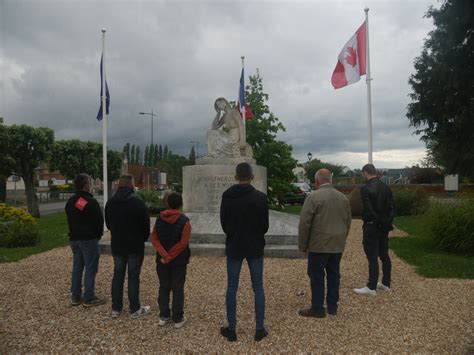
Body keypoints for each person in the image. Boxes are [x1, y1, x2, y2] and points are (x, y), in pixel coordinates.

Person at [219, 162, 269, 342]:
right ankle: (259, 328)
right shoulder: (260, 198)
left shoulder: (227, 196)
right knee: (258, 288)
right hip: (254, 245)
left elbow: (223, 222)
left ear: (236, 176)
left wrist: (234, 234)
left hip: (234, 245)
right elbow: (265, 225)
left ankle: (232, 329)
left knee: (232, 287)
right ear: (252, 176)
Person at [298, 169, 351, 318]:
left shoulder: (313, 197)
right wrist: (342, 238)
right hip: (337, 243)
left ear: (317, 181)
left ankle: (317, 308)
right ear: (331, 180)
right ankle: (332, 306)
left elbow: (304, 223)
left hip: (319, 244)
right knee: (334, 274)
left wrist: (303, 245)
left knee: (316, 275)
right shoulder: (343, 198)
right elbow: (348, 221)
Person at [105, 174, 151, 317]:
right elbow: (146, 226)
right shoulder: (137, 203)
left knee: (117, 276)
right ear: (131, 185)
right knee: (133, 276)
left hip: (118, 244)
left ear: (119, 185)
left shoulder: (110, 203)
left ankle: (116, 308)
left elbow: (109, 224)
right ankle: (135, 308)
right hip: (134, 245)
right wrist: (142, 238)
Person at [150, 192, 191, 329]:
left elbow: (154, 238)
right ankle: (178, 318)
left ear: (167, 203)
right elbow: (183, 243)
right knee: (177, 287)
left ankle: (164, 315)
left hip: (162, 260)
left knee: (164, 286)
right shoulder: (185, 221)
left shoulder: (159, 219)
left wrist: (164, 255)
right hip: (178, 260)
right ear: (181, 204)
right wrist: (170, 256)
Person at [65, 173, 106, 307]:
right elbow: (99, 221)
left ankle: (75, 296)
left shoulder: (71, 201)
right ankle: (89, 297)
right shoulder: (90, 202)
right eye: (89, 182)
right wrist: (98, 235)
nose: (91, 185)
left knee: (77, 267)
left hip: (74, 238)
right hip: (88, 239)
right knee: (90, 267)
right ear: (86, 185)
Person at [354, 164, 394, 296]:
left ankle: (371, 287)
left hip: (372, 225)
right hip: (384, 226)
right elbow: (392, 208)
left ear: (366, 173)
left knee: (372, 256)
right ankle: (386, 283)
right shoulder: (386, 188)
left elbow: (369, 209)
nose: (363, 177)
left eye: (363, 174)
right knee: (384, 255)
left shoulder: (365, 189)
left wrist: (377, 221)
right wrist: (386, 222)